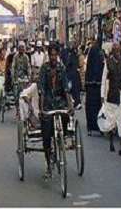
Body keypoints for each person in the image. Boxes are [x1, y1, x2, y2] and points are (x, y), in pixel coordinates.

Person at [38, 44, 73, 180]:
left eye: (55, 54)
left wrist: (70, 105)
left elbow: (66, 88)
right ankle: (48, 165)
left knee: (65, 117)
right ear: (49, 55)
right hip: (47, 103)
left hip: (60, 102)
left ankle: (61, 139)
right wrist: (41, 108)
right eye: (51, 54)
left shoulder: (61, 68)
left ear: (57, 55)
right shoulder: (44, 69)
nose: (53, 57)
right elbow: (41, 89)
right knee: (46, 138)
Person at [101, 43, 121, 157]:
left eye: (119, 51)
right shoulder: (108, 63)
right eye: (115, 51)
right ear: (112, 52)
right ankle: (112, 141)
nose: (117, 53)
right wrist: (102, 96)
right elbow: (104, 80)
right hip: (111, 95)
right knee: (112, 121)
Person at [85, 38, 105, 135]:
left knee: (95, 106)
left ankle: (93, 126)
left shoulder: (96, 53)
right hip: (95, 85)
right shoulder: (98, 53)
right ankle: (94, 127)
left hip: (94, 85)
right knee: (95, 106)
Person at [64, 41, 82, 110]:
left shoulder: (72, 55)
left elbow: (68, 64)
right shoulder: (73, 55)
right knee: (73, 89)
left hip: (72, 75)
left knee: (73, 89)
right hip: (73, 75)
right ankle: (75, 102)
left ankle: (76, 102)